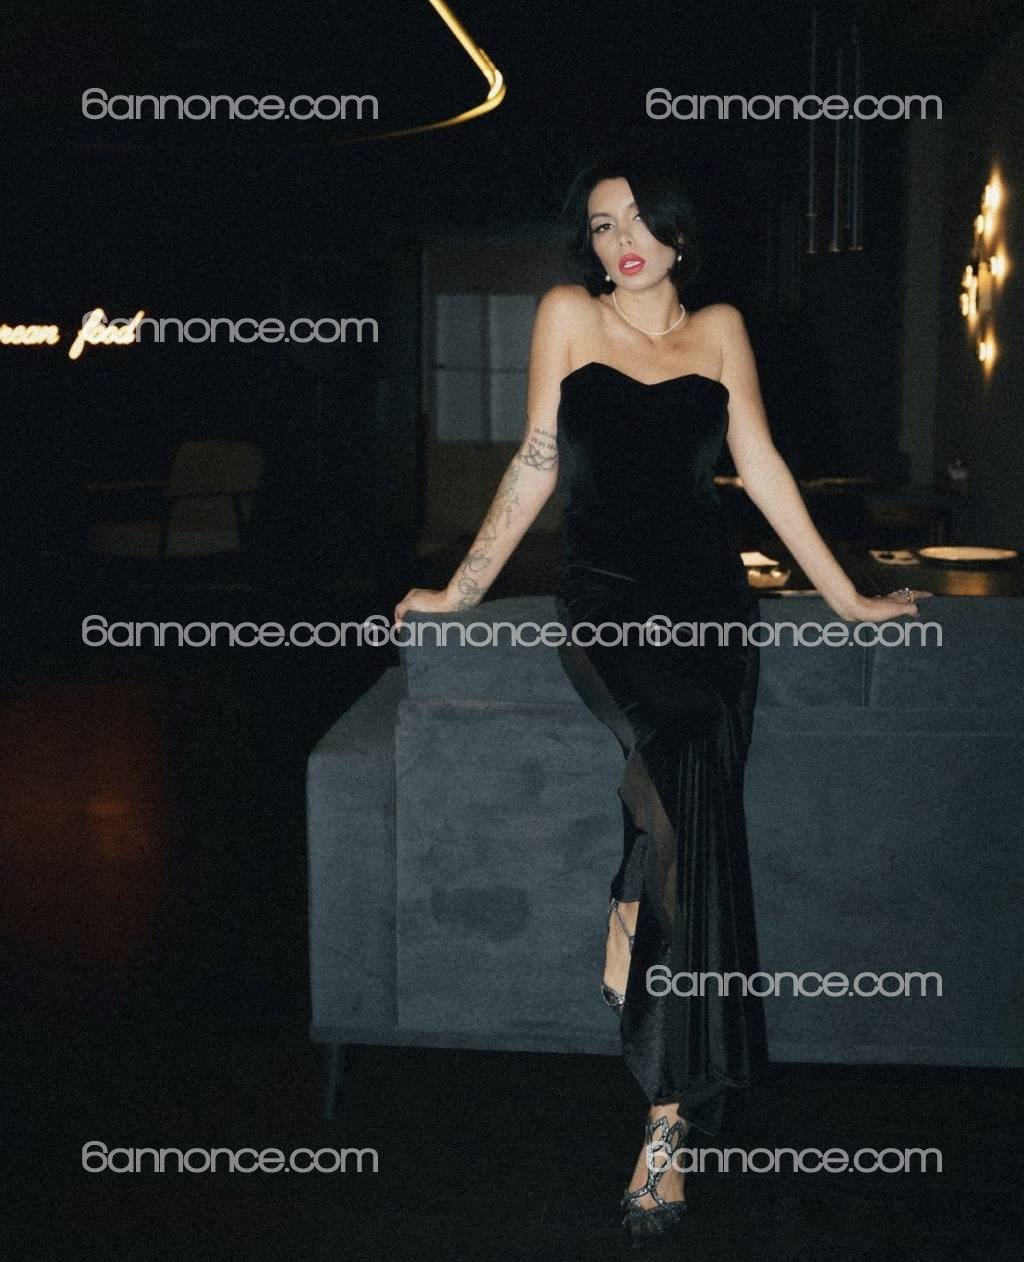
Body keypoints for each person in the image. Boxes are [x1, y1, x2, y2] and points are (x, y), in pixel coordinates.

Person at [394, 158, 921, 1248]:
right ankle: (643, 935)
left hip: (711, 604)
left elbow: (762, 469)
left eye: (639, 221)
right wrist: (460, 590)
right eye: (602, 226)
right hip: (606, 600)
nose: (622, 241)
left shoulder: (722, 329)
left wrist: (850, 598)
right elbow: (537, 460)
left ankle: (665, 1117)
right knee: (679, 746)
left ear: (679, 231)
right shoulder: (567, 314)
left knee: (693, 805)